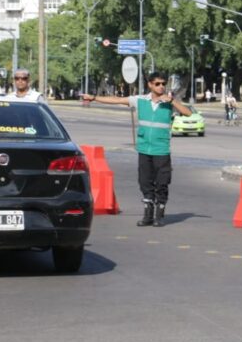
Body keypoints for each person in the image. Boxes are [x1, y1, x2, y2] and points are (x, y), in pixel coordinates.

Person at [82, 72, 192, 227]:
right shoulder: (140, 100)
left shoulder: (169, 102)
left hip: (161, 150)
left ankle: (159, 215)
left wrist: (173, 100)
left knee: (162, 183)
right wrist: (94, 98)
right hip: (144, 149)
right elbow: (116, 100)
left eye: (163, 84)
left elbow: (188, 113)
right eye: (157, 84)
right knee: (145, 182)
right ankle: (148, 215)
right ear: (150, 85)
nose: (161, 87)